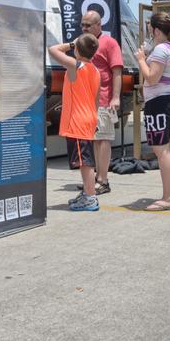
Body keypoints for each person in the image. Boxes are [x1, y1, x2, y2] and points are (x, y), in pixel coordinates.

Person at [136, 12, 170, 209]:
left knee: (161, 150)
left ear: (156, 30)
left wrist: (141, 60)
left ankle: (168, 198)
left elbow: (152, 78)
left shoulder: (160, 50)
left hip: (159, 103)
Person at [49, 34, 102, 211]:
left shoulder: (76, 66)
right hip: (88, 118)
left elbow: (53, 50)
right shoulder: (95, 70)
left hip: (78, 121)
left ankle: (90, 197)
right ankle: (87, 193)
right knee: (84, 160)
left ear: (77, 50)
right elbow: (96, 99)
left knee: (85, 162)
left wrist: (71, 44)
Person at [82, 10, 123, 193]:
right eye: (82, 24)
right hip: (87, 100)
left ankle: (103, 180)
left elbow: (117, 72)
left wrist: (116, 97)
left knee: (103, 139)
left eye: (88, 25)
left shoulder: (109, 43)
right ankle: (96, 177)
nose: (84, 28)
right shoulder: (84, 43)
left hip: (104, 99)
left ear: (99, 25)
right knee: (94, 139)